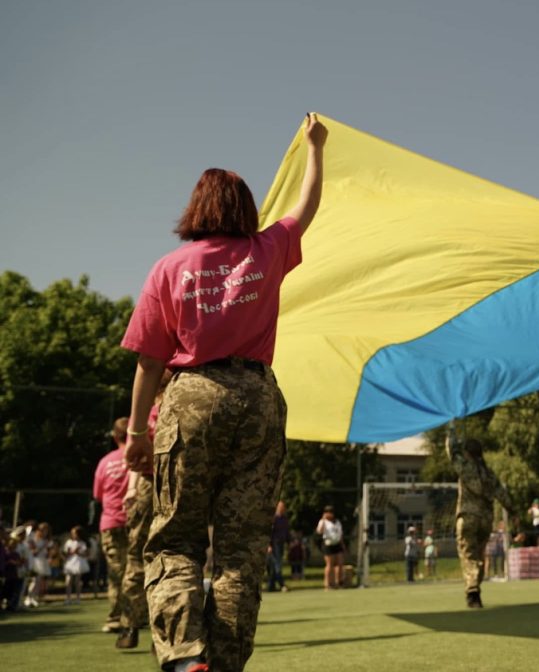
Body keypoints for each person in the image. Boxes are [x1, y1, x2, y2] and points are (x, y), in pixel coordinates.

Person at [120, 113, 327, 672]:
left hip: (192, 396)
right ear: (245, 210)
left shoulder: (168, 268)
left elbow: (149, 360)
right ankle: (226, 663)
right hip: (258, 398)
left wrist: (136, 433)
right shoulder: (268, 249)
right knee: (240, 552)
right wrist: (315, 148)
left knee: (175, 539)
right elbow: (306, 206)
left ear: (197, 209)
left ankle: (187, 659)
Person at [118, 372, 171, 650]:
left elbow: (136, 460)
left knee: (137, 558)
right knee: (170, 558)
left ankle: (129, 628)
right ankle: (162, 633)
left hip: (151, 485)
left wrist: (131, 489)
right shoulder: (177, 407)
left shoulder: (151, 412)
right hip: (170, 486)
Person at [447, 434, 514, 608]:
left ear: (467, 453)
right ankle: (476, 587)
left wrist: (451, 432)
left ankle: (472, 592)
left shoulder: (465, 467)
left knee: (468, 554)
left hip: (468, 517)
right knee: (480, 554)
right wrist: (513, 512)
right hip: (485, 519)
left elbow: (452, 452)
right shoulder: (489, 473)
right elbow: (502, 495)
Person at [94, 418, 131, 632]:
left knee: (116, 572)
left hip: (110, 522)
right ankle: (138, 615)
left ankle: (116, 617)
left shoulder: (104, 462)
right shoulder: (141, 456)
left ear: (115, 436)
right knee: (139, 568)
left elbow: (98, 495)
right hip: (136, 520)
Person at [316, 506, 344, 590]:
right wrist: (324, 520)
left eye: (330, 512)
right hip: (328, 544)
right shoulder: (322, 522)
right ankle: (327, 583)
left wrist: (343, 544)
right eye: (327, 512)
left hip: (337, 543)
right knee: (329, 565)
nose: (329, 514)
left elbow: (340, 533)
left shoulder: (337, 522)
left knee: (340, 563)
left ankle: (338, 582)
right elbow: (319, 531)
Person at [63, 526, 90, 605]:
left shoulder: (82, 543)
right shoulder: (69, 542)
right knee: (68, 581)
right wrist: (72, 551)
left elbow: (86, 554)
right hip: (70, 562)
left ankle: (78, 598)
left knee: (77, 581)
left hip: (78, 562)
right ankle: (68, 598)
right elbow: (66, 553)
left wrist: (78, 552)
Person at [268, 501, 289, 591]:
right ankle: (281, 584)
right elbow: (269, 533)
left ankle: (271, 586)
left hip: (281, 543)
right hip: (274, 544)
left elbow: (286, 532)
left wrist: (290, 541)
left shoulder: (284, 518)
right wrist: (269, 545)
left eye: (283, 507)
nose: (282, 509)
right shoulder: (274, 518)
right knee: (277, 564)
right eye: (280, 507)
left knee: (275, 565)